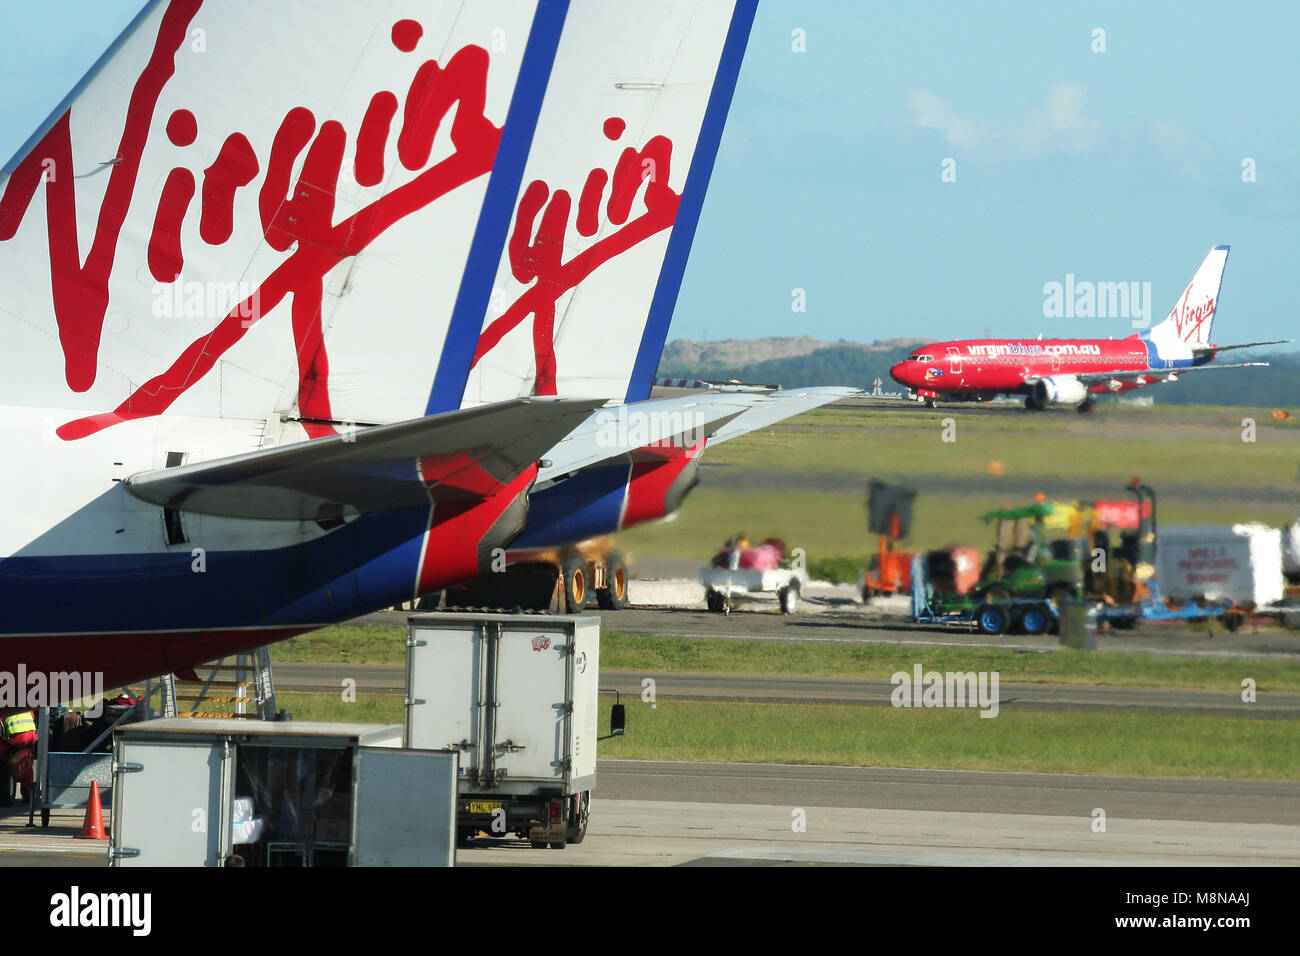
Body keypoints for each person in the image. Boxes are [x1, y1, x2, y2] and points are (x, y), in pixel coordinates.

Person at [0, 711, 38, 801]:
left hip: (18, 736)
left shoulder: (4, 707)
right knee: (26, 766)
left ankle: (7, 769)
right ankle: (28, 794)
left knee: (7, 760)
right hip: (31, 734)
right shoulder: (25, 707)